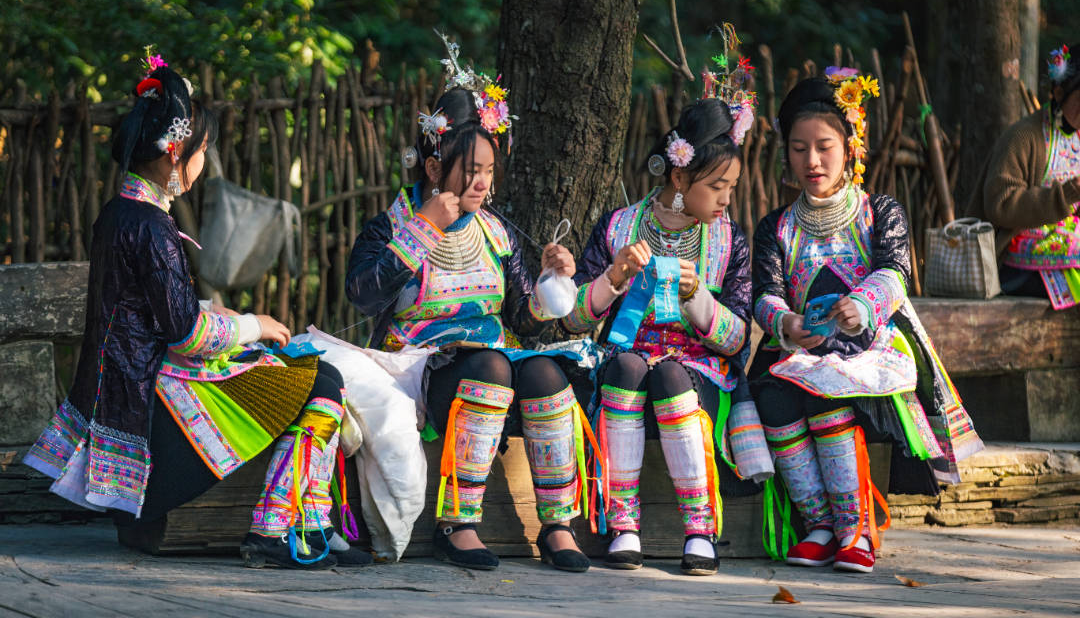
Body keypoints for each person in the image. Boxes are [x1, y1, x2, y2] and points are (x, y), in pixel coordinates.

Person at [23, 57, 366, 570]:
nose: (205, 162)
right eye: (204, 151)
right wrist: (256, 325)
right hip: (154, 406)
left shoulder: (119, 214)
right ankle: (281, 528)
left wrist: (218, 315)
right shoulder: (153, 227)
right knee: (321, 379)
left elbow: (146, 309)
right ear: (176, 152)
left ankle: (310, 521)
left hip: (127, 389)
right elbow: (184, 334)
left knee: (293, 369)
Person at [345, 37, 596, 572]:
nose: (482, 182)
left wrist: (552, 282)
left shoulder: (495, 233)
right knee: (492, 365)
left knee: (548, 373)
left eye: (488, 169)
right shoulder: (390, 227)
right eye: (470, 169)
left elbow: (521, 321)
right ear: (434, 169)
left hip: (490, 363)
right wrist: (424, 229)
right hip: (416, 369)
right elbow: (363, 294)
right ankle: (457, 523)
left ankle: (557, 523)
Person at [750, 69, 983, 573]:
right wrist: (787, 323)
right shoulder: (776, 227)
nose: (811, 161)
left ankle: (852, 527)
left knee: (828, 390)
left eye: (824, 146)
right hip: (801, 349)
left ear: (850, 146)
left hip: (869, 349)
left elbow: (896, 271)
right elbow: (764, 294)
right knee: (772, 393)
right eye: (798, 148)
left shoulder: (880, 212)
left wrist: (863, 307)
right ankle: (818, 524)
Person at [563, 42, 765, 575]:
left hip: (697, 369)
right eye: (716, 186)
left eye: (732, 187)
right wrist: (613, 276)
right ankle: (622, 521)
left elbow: (737, 337)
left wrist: (698, 297)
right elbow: (575, 319)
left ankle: (700, 529)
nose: (726, 198)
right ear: (679, 178)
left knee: (671, 374)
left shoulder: (728, 244)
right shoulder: (618, 228)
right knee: (628, 367)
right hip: (626, 356)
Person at [968, 42, 1080, 308]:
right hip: (1015, 257)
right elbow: (1000, 204)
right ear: (1059, 91)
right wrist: (1065, 196)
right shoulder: (1024, 137)